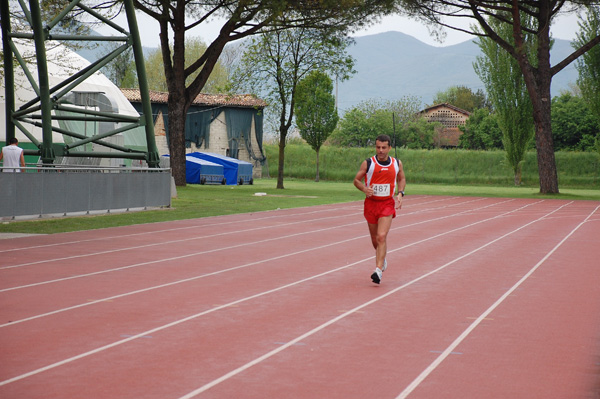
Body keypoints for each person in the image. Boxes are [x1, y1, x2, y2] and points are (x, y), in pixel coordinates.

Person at [353, 134, 406, 284]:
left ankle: (378, 270)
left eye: (384, 148)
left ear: (389, 148)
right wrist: (364, 189)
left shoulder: (396, 163)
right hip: (371, 204)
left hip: (387, 204)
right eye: (378, 147)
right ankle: (382, 258)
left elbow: (401, 178)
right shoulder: (368, 163)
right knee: (375, 239)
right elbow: (356, 180)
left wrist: (400, 193)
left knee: (381, 236)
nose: (381, 150)